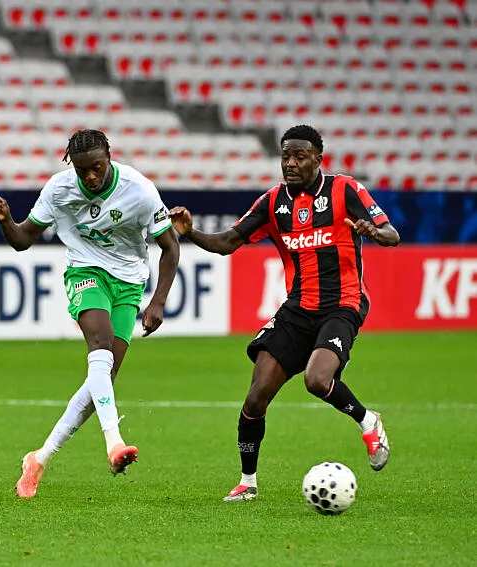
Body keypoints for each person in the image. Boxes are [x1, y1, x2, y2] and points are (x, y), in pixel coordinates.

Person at [169, 124, 400, 502]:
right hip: (298, 308)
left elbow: (392, 233)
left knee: (315, 379)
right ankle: (248, 483)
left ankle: (367, 420)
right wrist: (190, 232)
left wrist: (373, 232)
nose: (290, 163)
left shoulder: (345, 189)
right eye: (285, 156)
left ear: (317, 159)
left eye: (299, 156)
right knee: (256, 398)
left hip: (343, 303)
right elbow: (228, 242)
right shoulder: (273, 202)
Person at [0, 129, 180, 498]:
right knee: (100, 347)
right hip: (85, 271)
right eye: (82, 170)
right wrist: (5, 221)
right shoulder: (60, 189)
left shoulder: (139, 190)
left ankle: (39, 458)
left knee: (100, 380)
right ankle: (114, 443)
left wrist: (157, 301)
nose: (90, 177)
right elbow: (24, 239)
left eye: (96, 168)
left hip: (128, 282)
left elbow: (170, 248)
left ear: (109, 156)